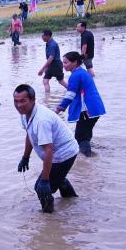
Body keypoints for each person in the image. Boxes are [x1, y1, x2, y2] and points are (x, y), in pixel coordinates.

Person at [14, 84, 79, 213]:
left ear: (33, 100)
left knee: (41, 188)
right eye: (16, 101)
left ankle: (49, 217)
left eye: (23, 101)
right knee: (57, 178)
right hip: (57, 152)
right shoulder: (24, 113)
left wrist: (45, 180)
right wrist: (25, 157)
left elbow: (49, 149)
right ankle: (71, 200)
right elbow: (30, 135)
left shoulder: (41, 120)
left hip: (64, 153)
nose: (19, 105)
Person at [56, 51, 106, 157]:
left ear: (74, 62)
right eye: (63, 62)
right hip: (95, 108)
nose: (63, 65)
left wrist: (59, 108)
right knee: (85, 134)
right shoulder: (82, 72)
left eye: (66, 62)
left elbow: (70, 95)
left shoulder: (75, 75)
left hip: (87, 110)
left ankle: (88, 160)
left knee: (80, 137)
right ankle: (92, 155)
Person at [37, 30, 67, 94]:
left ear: (47, 36)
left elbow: (51, 58)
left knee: (47, 81)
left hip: (55, 64)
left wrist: (42, 69)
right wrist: (46, 67)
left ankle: (47, 96)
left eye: (43, 36)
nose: (42, 38)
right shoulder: (50, 43)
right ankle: (73, 90)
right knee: (60, 81)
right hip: (55, 64)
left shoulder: (52, 45)